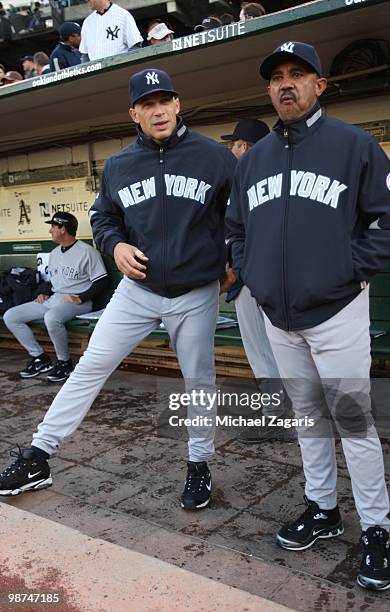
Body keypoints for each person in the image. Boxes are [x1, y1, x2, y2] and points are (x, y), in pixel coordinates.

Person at [0, 68, 236, 513]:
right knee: (90, 366)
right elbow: (104, 219)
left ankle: (199, 463)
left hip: (194, 292)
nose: (158, 110)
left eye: (164, 100)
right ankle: (38, 455)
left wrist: (233, 263)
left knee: (198, 382)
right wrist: (116, 244)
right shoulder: (120, 165)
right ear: (134, 113)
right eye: (148, 103)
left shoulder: (215, 156)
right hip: (137, 290)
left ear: (178, 104)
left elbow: (241, 215)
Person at [226, 41, 390, 591]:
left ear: (319, 85)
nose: (287, 84)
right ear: (268, 89)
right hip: (279, 318)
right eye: (277, 76)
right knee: (308, 420)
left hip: (337, 314)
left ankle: (376, 529)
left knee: (353, 422)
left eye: (298, 74)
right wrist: (252, 274)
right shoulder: (253, 159)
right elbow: (236, 230)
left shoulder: (354, 145)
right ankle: (322, 508)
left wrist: (351, 273)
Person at [221, 118, 290, 444]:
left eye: (233, 145)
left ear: (245, 147)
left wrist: (240, 271)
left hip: (254, 282)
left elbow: (247, 236)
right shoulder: (273, 172)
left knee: (266, 354)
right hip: (271, 280)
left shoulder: (249, 177)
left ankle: (279, 420)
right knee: (281, 351)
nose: (231, 151)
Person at [4, 212, 108, 383]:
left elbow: (102, 281)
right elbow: (53, 281)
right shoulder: (53, 253)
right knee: (11, 316)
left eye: (53, 226)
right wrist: (43, 292)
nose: (50, 230)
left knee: (51, 318)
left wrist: (81, 298)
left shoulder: (87, 252)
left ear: (63, 229)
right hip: (54, 299)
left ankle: (64, 362)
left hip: (78, 301)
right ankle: (40, 358)